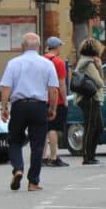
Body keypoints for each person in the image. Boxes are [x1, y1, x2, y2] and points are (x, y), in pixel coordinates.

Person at [0, 32, 60, 193]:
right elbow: (53, 90)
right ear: (39, 47)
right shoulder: (47, 64)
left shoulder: (13, 63)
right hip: (39, 106)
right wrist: (52, 109)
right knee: (38, 145)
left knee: (15, 140)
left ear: (22, 47)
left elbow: (6, 87)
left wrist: (4, 108)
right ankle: (33, 182)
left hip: (19, 106)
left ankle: (18, 168)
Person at [74, 38, 105, 165]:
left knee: (97, 126)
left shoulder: (82, 61)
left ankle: (90, 155)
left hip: (86, 98)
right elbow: (100, 82)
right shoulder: (89, 64)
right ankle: (87, 156)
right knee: (92, 127)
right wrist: (99, 67)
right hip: (90, 98)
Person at [41, 36, 70, 167]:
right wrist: (65, 100)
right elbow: (61, 84)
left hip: (41, 98)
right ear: (57, 47)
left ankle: (42, 156)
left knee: (43, 129)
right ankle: (54, 156)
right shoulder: (59, 62)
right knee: (53, 128)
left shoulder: (41, 60)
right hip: (55, 99)